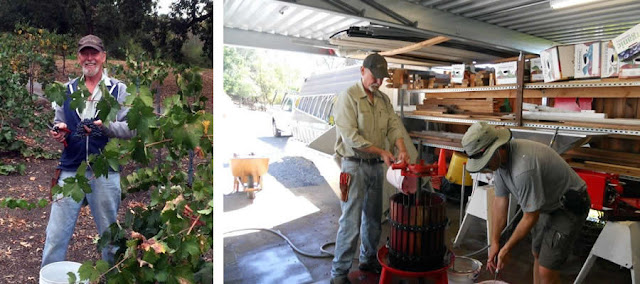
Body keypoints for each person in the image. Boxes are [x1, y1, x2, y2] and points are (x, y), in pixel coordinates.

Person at [41, 35, 135, 267]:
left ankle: (113, 276)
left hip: (105, 170)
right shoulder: (67, 90)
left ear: (103, 57)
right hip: (71, 169)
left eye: (94, 53)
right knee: (55, 235)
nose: (89, 58)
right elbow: (59, 122)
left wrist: (108, 127)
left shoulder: (119, 90)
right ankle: (49, 277)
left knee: (109, 236)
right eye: (85, 53)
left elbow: (131, 128)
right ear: (78, 57)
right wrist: (59, 131)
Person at [461, 122, 590, 284]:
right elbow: (500, 201)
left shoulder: (523, 169)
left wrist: (506, 248)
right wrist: (494, 242)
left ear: (498, 148)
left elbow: (530, 216)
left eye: (486, 162)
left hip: (570, 205)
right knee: (537, 253)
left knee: (547, 269)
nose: (486, 168)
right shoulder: (500, 162)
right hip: (546, 203)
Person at [330, 53, 410, 284]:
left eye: (382, 79)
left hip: (377, 168)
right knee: (350, 221)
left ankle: (367, 259)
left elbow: (394, 126)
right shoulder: (348, 97)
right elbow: (350, 137)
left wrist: (401, 148)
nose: (378, 82)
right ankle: (339, 273)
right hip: (354, 167)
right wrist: (382, 152)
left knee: (374, 219)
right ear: (362, 71)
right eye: (375, 77)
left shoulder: (383, 100)